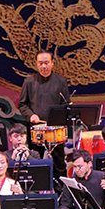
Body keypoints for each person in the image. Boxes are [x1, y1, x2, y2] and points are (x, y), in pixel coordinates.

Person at [18, 51, 70, 181]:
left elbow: (66, 105)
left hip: (55, 130)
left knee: (59, 163)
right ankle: (36, 189)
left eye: (46, 63)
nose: (44, 66)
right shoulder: (29, 82)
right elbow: (22, 105)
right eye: (40, 63)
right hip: (36, 129)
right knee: (35, 160)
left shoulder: (61, 81)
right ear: (36, 64)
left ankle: (61, 190)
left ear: (52, 63)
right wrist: (31, 116)